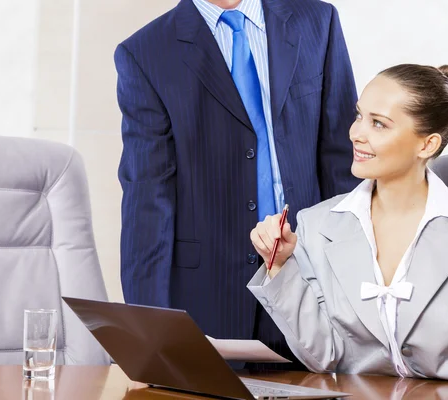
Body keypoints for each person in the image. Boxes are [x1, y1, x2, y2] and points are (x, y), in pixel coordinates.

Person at [248, 63, 448, 385]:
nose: (356, 133)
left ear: (427, 145)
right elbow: (323, 356)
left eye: (378, 124)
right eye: (359, 116)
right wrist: (281, 266)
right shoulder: (317, 224)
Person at [114, 0, 359, 367]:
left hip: (311, 283)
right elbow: (148, 201)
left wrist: (356, 283)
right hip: (208, 297)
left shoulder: (318, 21)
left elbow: (342, 163)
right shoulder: (145, 52)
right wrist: (148, 334)